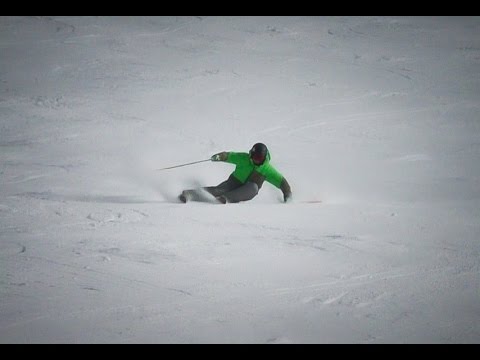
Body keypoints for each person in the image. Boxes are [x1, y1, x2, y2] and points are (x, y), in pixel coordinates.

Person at [179, 143, 292, 204]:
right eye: (255, 157)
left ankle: (226, 198)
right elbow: (230, 156)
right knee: (218, 190)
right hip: (234, 182)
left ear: (264, 157)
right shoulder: (244, 158)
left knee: (253, 187)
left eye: (260, 158)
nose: (257, 160)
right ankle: (189, 194)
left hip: (247, 190)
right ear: (251, 155)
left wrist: (287, 195)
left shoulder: (267, 169)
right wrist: (219, 156)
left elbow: (282, 182)